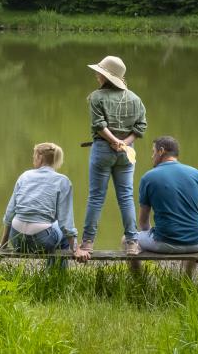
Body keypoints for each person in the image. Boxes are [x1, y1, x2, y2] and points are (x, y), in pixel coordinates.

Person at [81, 55, 147, 256]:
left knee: (96, 197)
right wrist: (124, 143)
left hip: (103, 149)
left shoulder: (96, 97)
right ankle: (132, 243)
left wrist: (113, 141)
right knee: (126, 197)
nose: (96, 74)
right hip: (126, 153)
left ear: (105, 76)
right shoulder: (135, 98)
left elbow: (99, 126)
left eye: (99, 72)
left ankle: (87, 244)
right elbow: (141, 126)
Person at [0, 142, 91, 264]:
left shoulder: (24, 176)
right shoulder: (62, 181)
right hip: (41, 241)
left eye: (34, 157)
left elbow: (10, 212)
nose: (33, 161)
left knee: (55, 226)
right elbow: (66, 222)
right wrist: (76, 249)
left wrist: (4, 243)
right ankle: (56, 278)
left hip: (17, 239)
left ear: (39, 157)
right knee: (63, 235)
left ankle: (53, 277)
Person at [136, 136, 198, 259]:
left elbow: (143, 222)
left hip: (165, 243)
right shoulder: (197, 174)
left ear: (161, 151)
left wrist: (149, 234)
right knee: (190, 247)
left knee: (127, 239)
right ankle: (188, 277)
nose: (152, 156)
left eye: (153, 152)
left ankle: (138, 278)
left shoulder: (148, 177)